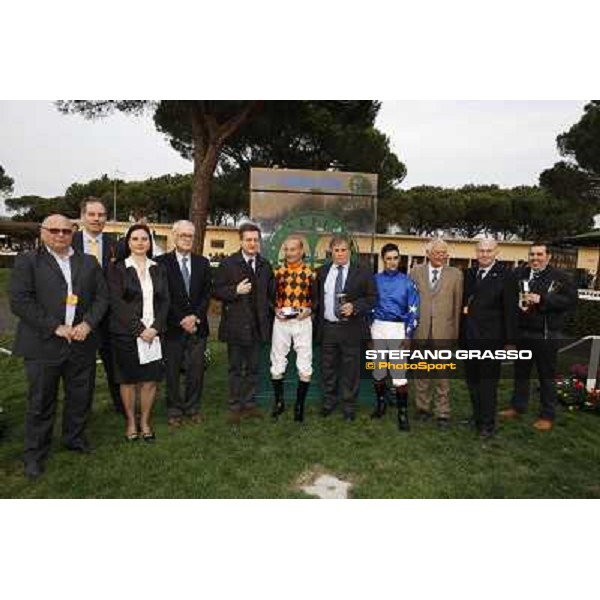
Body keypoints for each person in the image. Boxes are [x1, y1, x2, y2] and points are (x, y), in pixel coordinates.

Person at [9, 214, 109, 479]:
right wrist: (55, 327)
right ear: (43, 233)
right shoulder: (28, 261)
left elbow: (102, 297)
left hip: (81, 343)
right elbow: (20, 301)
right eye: (54, 230)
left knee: (80, 397)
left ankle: (74, 438)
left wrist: (87, 324)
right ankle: (35, 454)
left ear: (73, 232)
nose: (61, 235)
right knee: (41, 402)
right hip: (43, 344)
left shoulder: (88, 262)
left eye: (66, 230)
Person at [500, 242, 577, 431]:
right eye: (532, 254)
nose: (535, 258)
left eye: (539, 254)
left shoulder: (561, 277)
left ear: (548, 256)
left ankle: (547, 415)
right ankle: (517, 407)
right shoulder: (519, 274)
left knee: (546, 376)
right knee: (521, 373)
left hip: (546, 334)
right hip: (522, 332)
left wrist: (543, 299)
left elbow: (570, 301)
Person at [107, 223, 169, 442]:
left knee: (150, 381)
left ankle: (145, 422)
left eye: (145, 239)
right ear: (128, 242)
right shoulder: (118, 269)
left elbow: (165, 301)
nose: (140, 243)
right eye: (135, 239)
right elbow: (116, 302)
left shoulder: (158, 268)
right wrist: (140, 330)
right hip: (126, 334)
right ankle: (131, 422)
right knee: (128, 380)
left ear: (150, 242)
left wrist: (155, 328)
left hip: (154, 335)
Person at [213, 222, 275, 425]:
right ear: (241, 241)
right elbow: (216, 291)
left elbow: (271, 295)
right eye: (248, 239)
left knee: (253, 368)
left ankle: (249, 404)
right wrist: (234, 291)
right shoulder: (229, 264)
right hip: (236, 326)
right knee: (235, 369)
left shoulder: (265, 265)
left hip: (258, 326)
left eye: (256, 240)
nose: (252, 243)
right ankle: (234, 406)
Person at [314, 235, 377, 421]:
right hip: (329, 328)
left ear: (350, 252)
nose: (340, 254)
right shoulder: (322, 272)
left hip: (352, 328)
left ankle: (349, 406)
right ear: (331, 252)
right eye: (336, 250)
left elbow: (372, 298)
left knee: (351, 370)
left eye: (343, 250)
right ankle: (329, 403)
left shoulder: (363, 271)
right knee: (328, 368)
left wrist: (355, 307)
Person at [461, 239, 518, 438]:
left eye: (488, 251)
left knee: (487, 384)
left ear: (496, 252)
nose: (484, 254)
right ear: (476, 252)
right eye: (481, 251)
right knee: (472, 381)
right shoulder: (469, 274)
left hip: (491, 341)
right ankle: (477, 417)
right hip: (469, 339)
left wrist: (510, 342)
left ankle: (487, 424)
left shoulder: (507, 276)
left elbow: (511, 312)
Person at [157, 220, 212, 427]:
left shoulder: (203, 263)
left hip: (198, 327)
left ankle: (192, 407)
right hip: (173, 327)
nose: (187, 239)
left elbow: (207, 294)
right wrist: (181, 319)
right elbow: (163, 296)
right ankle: (173, 409)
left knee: (196, 371)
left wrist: (194, 317)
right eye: (183, 235)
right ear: (174, 236)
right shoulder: (161, 262)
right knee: (171, 371)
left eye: (191, 236)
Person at [72, 197, 122, 413]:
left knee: (115, 366)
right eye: (91, 214)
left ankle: (122, 406)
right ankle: (81, 412)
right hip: (80, 318)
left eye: (101, 215)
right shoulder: (69, 241)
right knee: (81, 370)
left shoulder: (117, 244)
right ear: (83, 216)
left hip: (111, 317)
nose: (96, 219)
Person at [410, 238, 463, 427]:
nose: (441, 256)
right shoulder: (415, 272)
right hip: (421, 332)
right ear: (428, 253)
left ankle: (443, 412)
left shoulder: (456, 274)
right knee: (421, 374)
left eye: (444, 253)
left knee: (442, 376)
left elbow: (457, 307)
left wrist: (454, 335)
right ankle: (422, 408)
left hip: (444, 333)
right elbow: (410, 302)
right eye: (437, 252)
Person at [371, 243, 419, 431]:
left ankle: (402, 413)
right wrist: (369, 332)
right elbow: (368, 306)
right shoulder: (374, 279)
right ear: (383, 260)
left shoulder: (407, 282)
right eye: (388, 258)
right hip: (378, 327)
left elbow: (414, 310)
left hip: (398, 329)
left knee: (399, 375)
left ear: (400, 259)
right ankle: (381, 404)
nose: (392, 262)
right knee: (379, 372)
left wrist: (408, 334)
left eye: (395, 258)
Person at [270, 235, 315, 422]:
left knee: (304, 365)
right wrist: (275, 308)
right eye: (286, 249)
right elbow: (270, 296)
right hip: (281, 322)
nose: (289, 253)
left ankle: (299, 406)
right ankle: (279, 402)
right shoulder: (277, 272)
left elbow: (316, 299)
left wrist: (310, 309)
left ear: (301, 251)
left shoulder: (311, 274)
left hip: (302, 322)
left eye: (293, 249)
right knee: (277, 362)